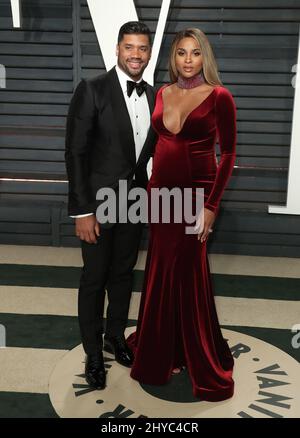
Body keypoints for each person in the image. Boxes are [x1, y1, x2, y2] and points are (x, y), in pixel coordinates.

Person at [127, 28, 237, 401]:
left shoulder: (220, 97)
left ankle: (197, 353)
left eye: (195, 53)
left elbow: (229, 155)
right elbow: (157, 143)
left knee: (188, 275)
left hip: (196, 196)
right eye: (181, 54)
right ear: (173, 58)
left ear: (205, 57)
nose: (187, 60)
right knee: (159, 269)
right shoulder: (163, 93)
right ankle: (165, 350)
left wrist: (210, 206)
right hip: (160, 195)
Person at [65, 21, 157, 390]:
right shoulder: (92, 89)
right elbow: (75, 153)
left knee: (123, 274)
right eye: (129, 47)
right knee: (94, 278)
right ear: (117, 49)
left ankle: (115, 338)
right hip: (98, 206)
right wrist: (82, 211)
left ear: (149, 53)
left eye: (142, 48)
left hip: (135, 201)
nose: (136, 54)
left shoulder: (155, 94)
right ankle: (92, 354)